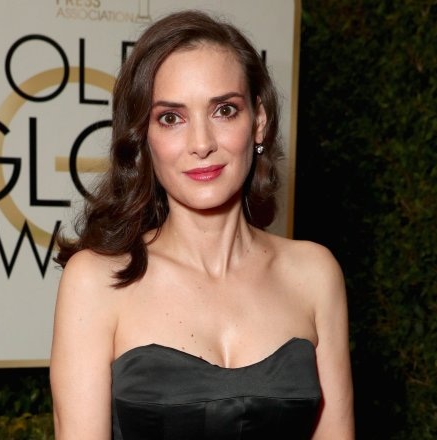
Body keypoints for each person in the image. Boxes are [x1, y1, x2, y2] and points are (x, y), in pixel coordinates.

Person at [50, 10, 354, 440]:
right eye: (171, 118)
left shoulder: (314, 274)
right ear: (143, 136)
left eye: (224, 110)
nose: (201, 144)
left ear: (259, 122)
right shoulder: (96, 280)